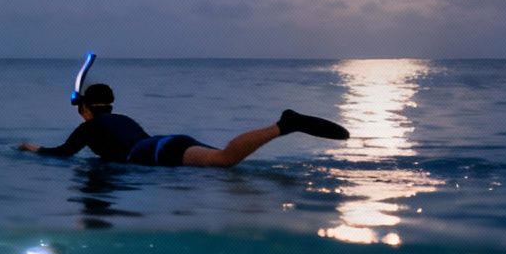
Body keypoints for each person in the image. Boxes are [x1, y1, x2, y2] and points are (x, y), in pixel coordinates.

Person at [18, 82, 349, 166]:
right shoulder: (124, 118)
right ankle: (283, 127)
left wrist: (32, 149)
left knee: (224, 161)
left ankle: (283, 125)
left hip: (152, 153)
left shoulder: (89, 127)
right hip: (167, 143)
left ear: (87, 109)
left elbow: (62, 154)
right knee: (223, 165)